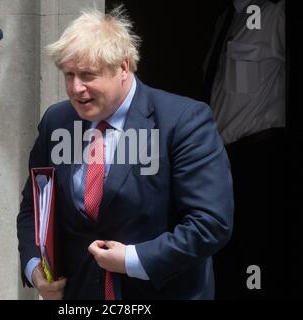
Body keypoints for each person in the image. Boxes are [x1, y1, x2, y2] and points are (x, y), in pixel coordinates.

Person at [17, 7, 234, 300]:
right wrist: (34, 267)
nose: (75, 88)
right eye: (69, 75)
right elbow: (35, 206)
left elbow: (210, 223)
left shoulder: (183, 121)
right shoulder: (57, 120)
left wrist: (133, 259)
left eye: (87, 75)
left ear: (123, 67)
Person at [203, 0, 286, 299]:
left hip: (257, 155)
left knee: (256, 254)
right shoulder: (226, 18)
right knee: (223, 255)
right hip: (220, 159)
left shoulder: (276, 14)